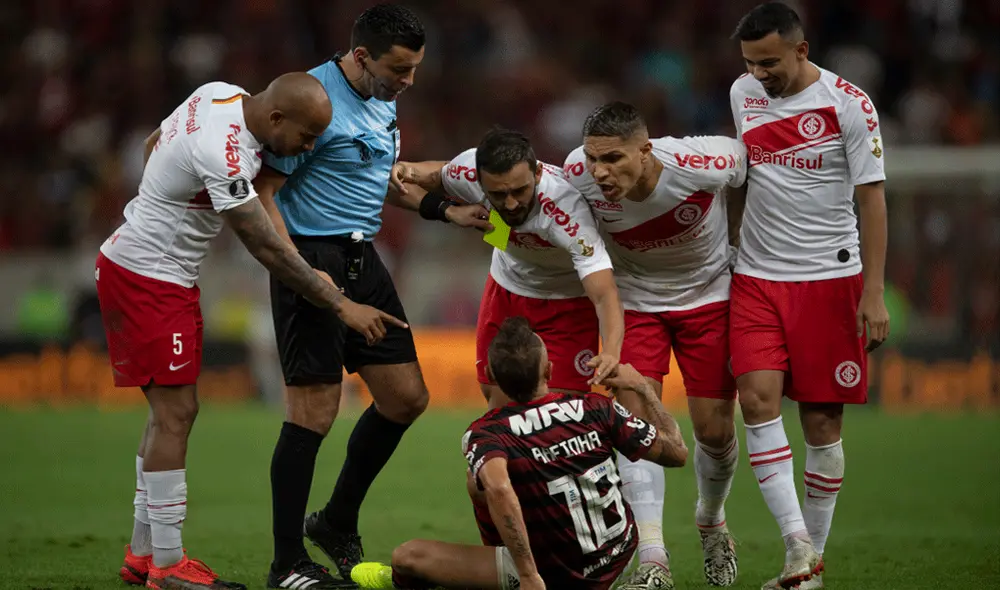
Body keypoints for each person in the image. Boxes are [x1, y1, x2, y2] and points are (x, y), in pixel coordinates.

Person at [102, 73, 405, 590]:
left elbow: (158, 139)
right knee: (176, 414)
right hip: (149, 277)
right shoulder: (225, 152)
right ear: (275, 119)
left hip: (154, 270)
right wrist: (339, 304)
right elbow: (262, 245)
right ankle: (168, 567)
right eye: (306, 138)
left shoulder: (219, 93)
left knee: (168, 414)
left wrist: (160, 197)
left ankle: (143, 554)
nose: (307, 149)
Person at [251, 5, 489, 588]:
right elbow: (265, 192)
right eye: (399, 70)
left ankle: (334, 522)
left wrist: (444, 209)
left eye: (414, 70)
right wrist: (302, 272)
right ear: (361, 57)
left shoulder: (383, 96)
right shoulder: (314, 101)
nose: (409, 82)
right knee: (314, 413)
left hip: (364, 259)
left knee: (406, 398)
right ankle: (288, 564)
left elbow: (372, 177)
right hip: (312, 258)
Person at [728, 3, 890, 588]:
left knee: (822, 426)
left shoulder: (849, 105)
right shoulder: (742, 92)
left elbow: (872, 199)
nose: (758, 74)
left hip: (829, 279)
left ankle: (809, 566)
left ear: (800, 50)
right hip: (755, 277)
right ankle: (797, 545)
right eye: (749, 62)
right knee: (756, 400)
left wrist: (872, 291)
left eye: (768, 61)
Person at [349, 317, 688, 590]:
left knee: (410, 554)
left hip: (551, 575)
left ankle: (498, 574)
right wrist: (642, 387)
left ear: (492, 377)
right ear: (549, 370)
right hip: (617, 557)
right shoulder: (597, 407)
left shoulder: (487, 433)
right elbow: (678, 453)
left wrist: (528, 576)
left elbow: (497, 489)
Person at [563, 101, 746, 587]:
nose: (599, 171)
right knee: (634, 423)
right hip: (636, 303)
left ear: (645, 151)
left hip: (709, 298)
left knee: (714, 431)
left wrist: (753, 248)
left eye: (613, 159)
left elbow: (758, 174)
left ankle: (711, 520)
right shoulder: (577, 173)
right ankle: (653, 559)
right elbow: (544, 219)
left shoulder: (708, 161)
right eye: (592, 158)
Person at [394, 127, 624, 405]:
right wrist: (446, 208)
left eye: (520, 190)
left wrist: (611, 351)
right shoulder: (468, 171)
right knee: (499, 402)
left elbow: (604, 293)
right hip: (508, 287)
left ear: (537, 173)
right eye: (499, 195)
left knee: (563, 413)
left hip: (568, 301)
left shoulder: (568, 212)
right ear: (479, 180)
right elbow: (410, 178)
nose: (511, 203)